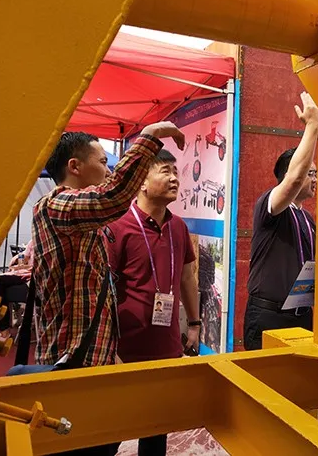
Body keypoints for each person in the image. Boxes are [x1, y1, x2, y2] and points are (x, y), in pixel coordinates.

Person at [30, 123, 184, 373]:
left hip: (93, 354)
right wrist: (149, 136)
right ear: (75, 167)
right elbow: (112, 196)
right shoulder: (56, 205)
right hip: (71, 359)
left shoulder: (87, 220)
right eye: (103, 162)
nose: (109, 170)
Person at [106, 148, 198, 456]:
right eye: (165, 171)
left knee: (156, 429)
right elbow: (103, 291)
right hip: (125, 350)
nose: (174, 179)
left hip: (165, 348)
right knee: (111, 430)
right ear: (142, 182)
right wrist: (108, 348)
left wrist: (195, 324)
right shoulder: (118, 226)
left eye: (176, 172)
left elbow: (187, 278)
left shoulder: (178, 226)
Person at [244, 92, 318, 350]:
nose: (315, 179)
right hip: (269, 316)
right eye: (310, 172)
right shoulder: (271, 204)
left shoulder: (307, 218)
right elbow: (294, 180)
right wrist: (312, 126)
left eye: (316, 173)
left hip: (302, 315)